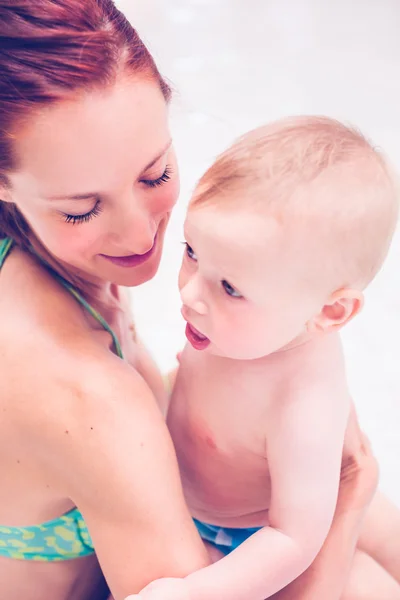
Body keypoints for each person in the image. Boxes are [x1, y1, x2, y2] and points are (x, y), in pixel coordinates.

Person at [0, 2, 385, 599]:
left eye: (155, 174)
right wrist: (354, 493)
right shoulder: (86, 398)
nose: (139, 239)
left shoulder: (49, 244)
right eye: (82, 208)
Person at [131, 118, 400, 600]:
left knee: (371, 580)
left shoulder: (305, 403)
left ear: (330, 311)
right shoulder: (236, 322)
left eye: (230, 287)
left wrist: (195, 592)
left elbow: (294, 538)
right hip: (219, 500)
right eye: (192, 251)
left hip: (261, 536)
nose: (191, 293)